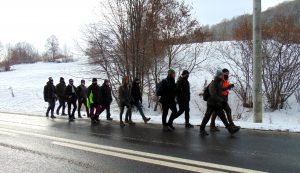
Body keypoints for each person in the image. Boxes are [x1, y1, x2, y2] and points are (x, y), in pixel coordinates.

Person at [199, 70, 240, 136]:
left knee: (222, 116)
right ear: (219, 75)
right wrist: (221, 101)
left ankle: (230, 130)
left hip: (216, 103)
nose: (223, 76)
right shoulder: (213, 83)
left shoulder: (219, 82)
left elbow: (220, 90)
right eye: (222, 75)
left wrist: (228, 87)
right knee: (207, 116)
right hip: (212, 103)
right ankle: (202, 129)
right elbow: (213, 94)